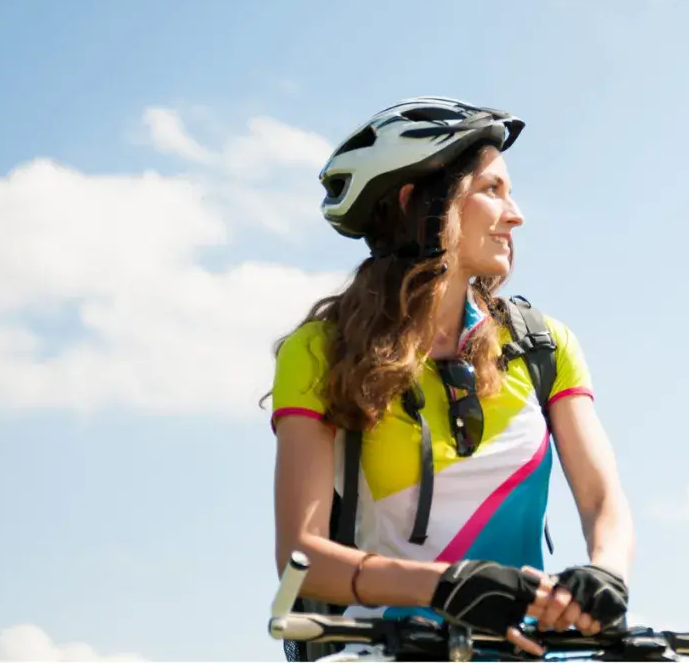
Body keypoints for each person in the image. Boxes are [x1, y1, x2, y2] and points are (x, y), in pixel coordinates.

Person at [266, 97, 634, 657]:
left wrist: (604, 573)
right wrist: (445, 586)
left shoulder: (542, 345)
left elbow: (603, 499)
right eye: (492, 190)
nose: (516, 214)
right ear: (420, 203)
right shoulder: (321, 351)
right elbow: (302, 555)